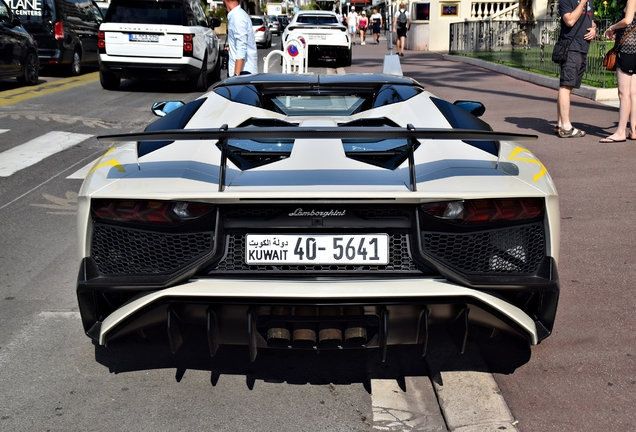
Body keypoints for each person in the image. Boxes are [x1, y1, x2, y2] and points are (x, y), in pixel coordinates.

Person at [555, 0, 596, 138]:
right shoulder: (566, 0)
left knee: (568, 86)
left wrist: (594, 29)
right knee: (566, 86)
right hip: (571, 48)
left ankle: (561, 124)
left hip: (582, 48)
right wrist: (582, 2)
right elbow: (570, 20)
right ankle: (566, 127)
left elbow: (591, 20)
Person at [600, 0, 636, 142]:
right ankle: (633, 129)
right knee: (633, 93)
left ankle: (621, 131)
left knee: (623, 93)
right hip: (634, 51)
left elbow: (627, 21)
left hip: (627, 50)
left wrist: (612, 27)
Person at [222, 0, 258, 77]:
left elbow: (242, 47)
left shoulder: (238, 17)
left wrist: (236, 75)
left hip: (243, 73)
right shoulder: (238, 15)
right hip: (242, 72)